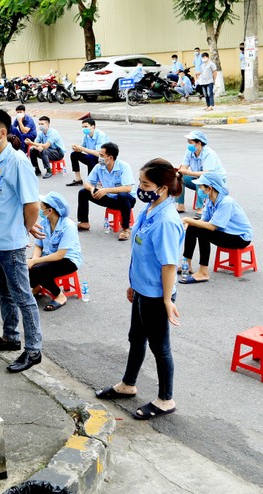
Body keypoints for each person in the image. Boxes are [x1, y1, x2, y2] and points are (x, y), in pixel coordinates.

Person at [95, 158, 184, 421]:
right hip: (142, 290)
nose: (141, 188)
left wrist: (167, 300)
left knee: (160, 347)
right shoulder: (149, 209)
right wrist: (133, 284)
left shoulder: (166, 220)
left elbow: (169, 265)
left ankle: (166, 400)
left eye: (146, 184)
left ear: (164, 188)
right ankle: (128, 384)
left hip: (157, 294)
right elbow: (141, 253)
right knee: (136, 337)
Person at [0, 109, 42, 373]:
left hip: (10, 244)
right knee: (2, 293)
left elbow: (32, 204)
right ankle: (10, 337)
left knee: (23, 297)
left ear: (2, 133)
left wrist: (24, 229)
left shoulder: (17, 162)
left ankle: (34, 349)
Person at [179, 173, 252, 284]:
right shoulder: (210, 201)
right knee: (194, 227)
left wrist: (188, 220)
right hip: (225, 233)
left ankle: (203, 272)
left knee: (203, 231)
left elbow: (212, 226)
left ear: (210, 188)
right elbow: (203, 221)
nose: (199, 190)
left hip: (240, 238)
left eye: (201, 187)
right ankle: (187, 264)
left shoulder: (226, 202)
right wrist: (190, 223)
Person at [28, 192, 82, 311]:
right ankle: (36, 287)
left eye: (42, 207)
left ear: (50, 210)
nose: (40, 209)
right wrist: (33, 260)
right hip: (49, 257)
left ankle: (59, 296)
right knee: (26, 265)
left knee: (37, 270)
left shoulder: (69, 226)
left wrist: (35, 262)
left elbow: (59, 255)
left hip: (67, 260)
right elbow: (38, 246)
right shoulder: (44, 222)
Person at [76, 142, 136, 241]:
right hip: (109, 198)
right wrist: (92, 189)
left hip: (127, 201)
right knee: (83, 192)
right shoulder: (99, 167)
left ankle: (125, 228)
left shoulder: (123, 166)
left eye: (101, 155)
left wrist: (106, 190)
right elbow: (87, 183)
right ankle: (84, 222)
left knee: (122, 195)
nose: (99, 157)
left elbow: (127, 188)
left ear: (110, 157)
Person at [175, 130, 226, 217]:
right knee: (178, 178)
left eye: (190, 142)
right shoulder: (189, 152)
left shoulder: (209, 153)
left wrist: (187, 172)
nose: (188, 144)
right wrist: (180, 172)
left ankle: (200, 208)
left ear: (198, 143)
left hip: (214, 180)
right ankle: (180, 205)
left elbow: (207, 173)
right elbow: (184, 166)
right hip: (198, 177)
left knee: (202, 179)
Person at [67, 118, 109, 186]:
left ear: (93, 127)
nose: (84, 129)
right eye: (83, 127)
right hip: (92, 157)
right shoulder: (86, 136)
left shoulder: (101, 135)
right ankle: (78, 179)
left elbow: (99, 154)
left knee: (90, 157)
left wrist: (82, 148)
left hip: (103, 160)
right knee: (74, 154)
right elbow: (82, 148)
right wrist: (76, 148)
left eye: (86, 127)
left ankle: (91, 180)